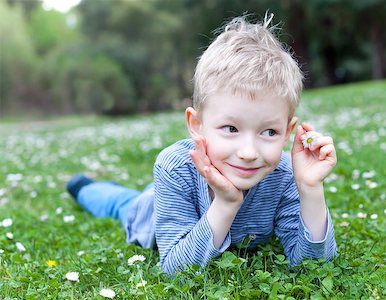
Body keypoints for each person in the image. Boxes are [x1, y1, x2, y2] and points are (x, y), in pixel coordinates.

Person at [67, 14, 338, 274]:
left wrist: (310, 189)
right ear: (197, 125)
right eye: (231, 128)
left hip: (190, 187)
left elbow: (312, 267)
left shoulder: (285, 175)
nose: (248, 153)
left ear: (288, 131)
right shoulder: (173, 167)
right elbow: (176, 270)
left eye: (269, 132)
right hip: (157, 204)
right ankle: (86, 188)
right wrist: (226, 203)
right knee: (122, 204)